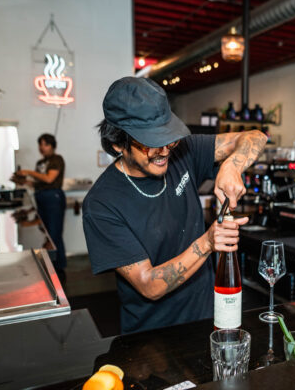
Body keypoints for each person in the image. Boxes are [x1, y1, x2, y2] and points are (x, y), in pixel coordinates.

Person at [82, 77, 267, 334]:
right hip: (152, 337)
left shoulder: (182, 153)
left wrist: (232, 166)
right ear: (118, 144)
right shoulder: (102, 204)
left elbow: (256, 137)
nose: (165, 151)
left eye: (168, 138)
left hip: (206, 317)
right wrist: (207, 243)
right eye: (150, 143)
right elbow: (149, 284)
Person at [17, 134, 67, 278]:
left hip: (53, 198)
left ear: (52, 146)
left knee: (54, 234)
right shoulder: (40, 163)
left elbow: (49, 179)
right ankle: (53, 265)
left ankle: (58, 267)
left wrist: (28, 172)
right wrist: (24, 181)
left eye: (46, 144)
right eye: (40, 144)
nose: (42, 147)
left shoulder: (57, 159)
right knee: (47, 232)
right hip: (41, 197)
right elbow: (39, 182)